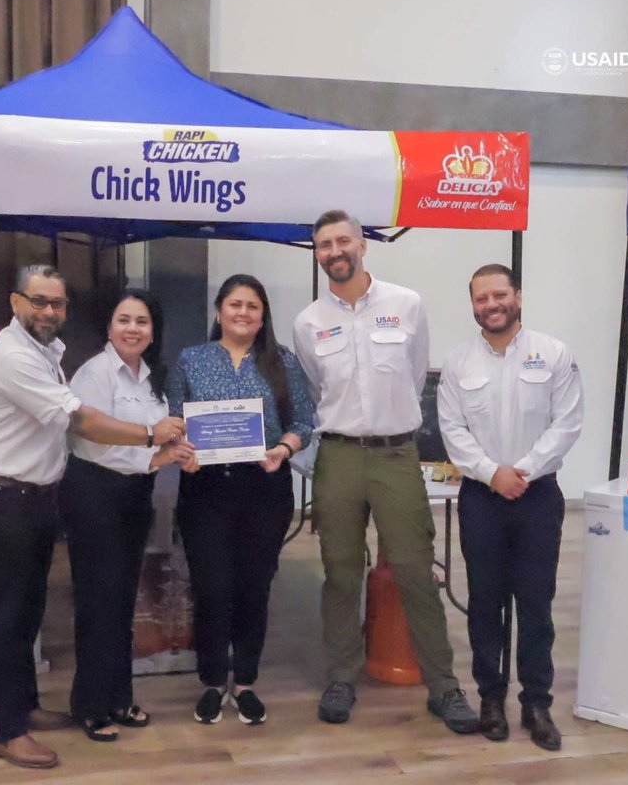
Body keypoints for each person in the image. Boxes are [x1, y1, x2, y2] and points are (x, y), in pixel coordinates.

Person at [0, 265, 186, 768]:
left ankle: (23, 707)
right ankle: (4, 729)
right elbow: (80, 421)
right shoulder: (14, 357)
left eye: (57, 303)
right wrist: (150, 436)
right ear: (16, 302)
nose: (48, 311)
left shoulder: (48, 353)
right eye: (38, 301)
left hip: (35, 496)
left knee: (27, 612)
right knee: (5, 616)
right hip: (2, 497)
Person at [293, 209, 478, 734]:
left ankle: (444, 685)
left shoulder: (406, 304)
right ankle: (340, 677)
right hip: (339, 457)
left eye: (343, 241)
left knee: (416, 569)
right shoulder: (308, 322)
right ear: (317, 253)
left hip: (396, 455)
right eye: (324, 244)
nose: (335, 251)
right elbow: (317, 389)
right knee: (340, 572)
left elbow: (416, 374)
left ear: (362, 245)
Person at [436, 263, 583, 751]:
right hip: (482, 496)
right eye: (481, 298)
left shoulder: (554, 354)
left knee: (536, 603)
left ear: (517, 295)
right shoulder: (458, 363)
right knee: (485, 602)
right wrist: (490, 473)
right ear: (473, 305)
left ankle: (536, 703)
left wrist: (522, 471)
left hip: (537, 495)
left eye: (499, 295)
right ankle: (491, 698)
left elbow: (567, 423)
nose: (491, 305)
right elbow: (452, 430)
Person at [166, 274, 315, 726]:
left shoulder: (282, 361)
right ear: (219, 311)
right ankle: (213, 681)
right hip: (205, 489)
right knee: (210, 588)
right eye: (235, 304)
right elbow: (174, 421)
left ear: (262, 315)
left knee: (254, 586)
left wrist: (284, 449)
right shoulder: (191, 360)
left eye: (252, 306)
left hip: (264, 486)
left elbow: (303, 423)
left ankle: (245, 681)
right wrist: (182, 451)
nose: (243, 313)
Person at [58, 289, 194, 742]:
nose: (132, 329)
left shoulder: (151, 378)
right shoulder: (94, 373)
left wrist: (169, 454)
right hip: (94, 494)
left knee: (121, 602)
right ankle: (90, 705)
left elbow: (150, 445)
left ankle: (118, 697)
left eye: (142, 321)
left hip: (134, 494)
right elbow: (93, 436)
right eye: (124, 320)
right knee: (97, 601)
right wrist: (153, 442)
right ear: (110, 326)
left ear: (153, 331)